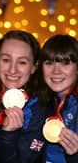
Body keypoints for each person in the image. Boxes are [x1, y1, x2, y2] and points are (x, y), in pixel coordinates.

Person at [0, 30, 46, 163]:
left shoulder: (39, 112)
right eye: (6, 60)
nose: (12, 70)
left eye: (22, 62)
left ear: (33, 67)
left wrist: (8, 134)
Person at [38, 34, 78, 163]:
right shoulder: (35, 102)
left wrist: (75, 156)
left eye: (65, 63)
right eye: (49, 63)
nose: (56, 71)